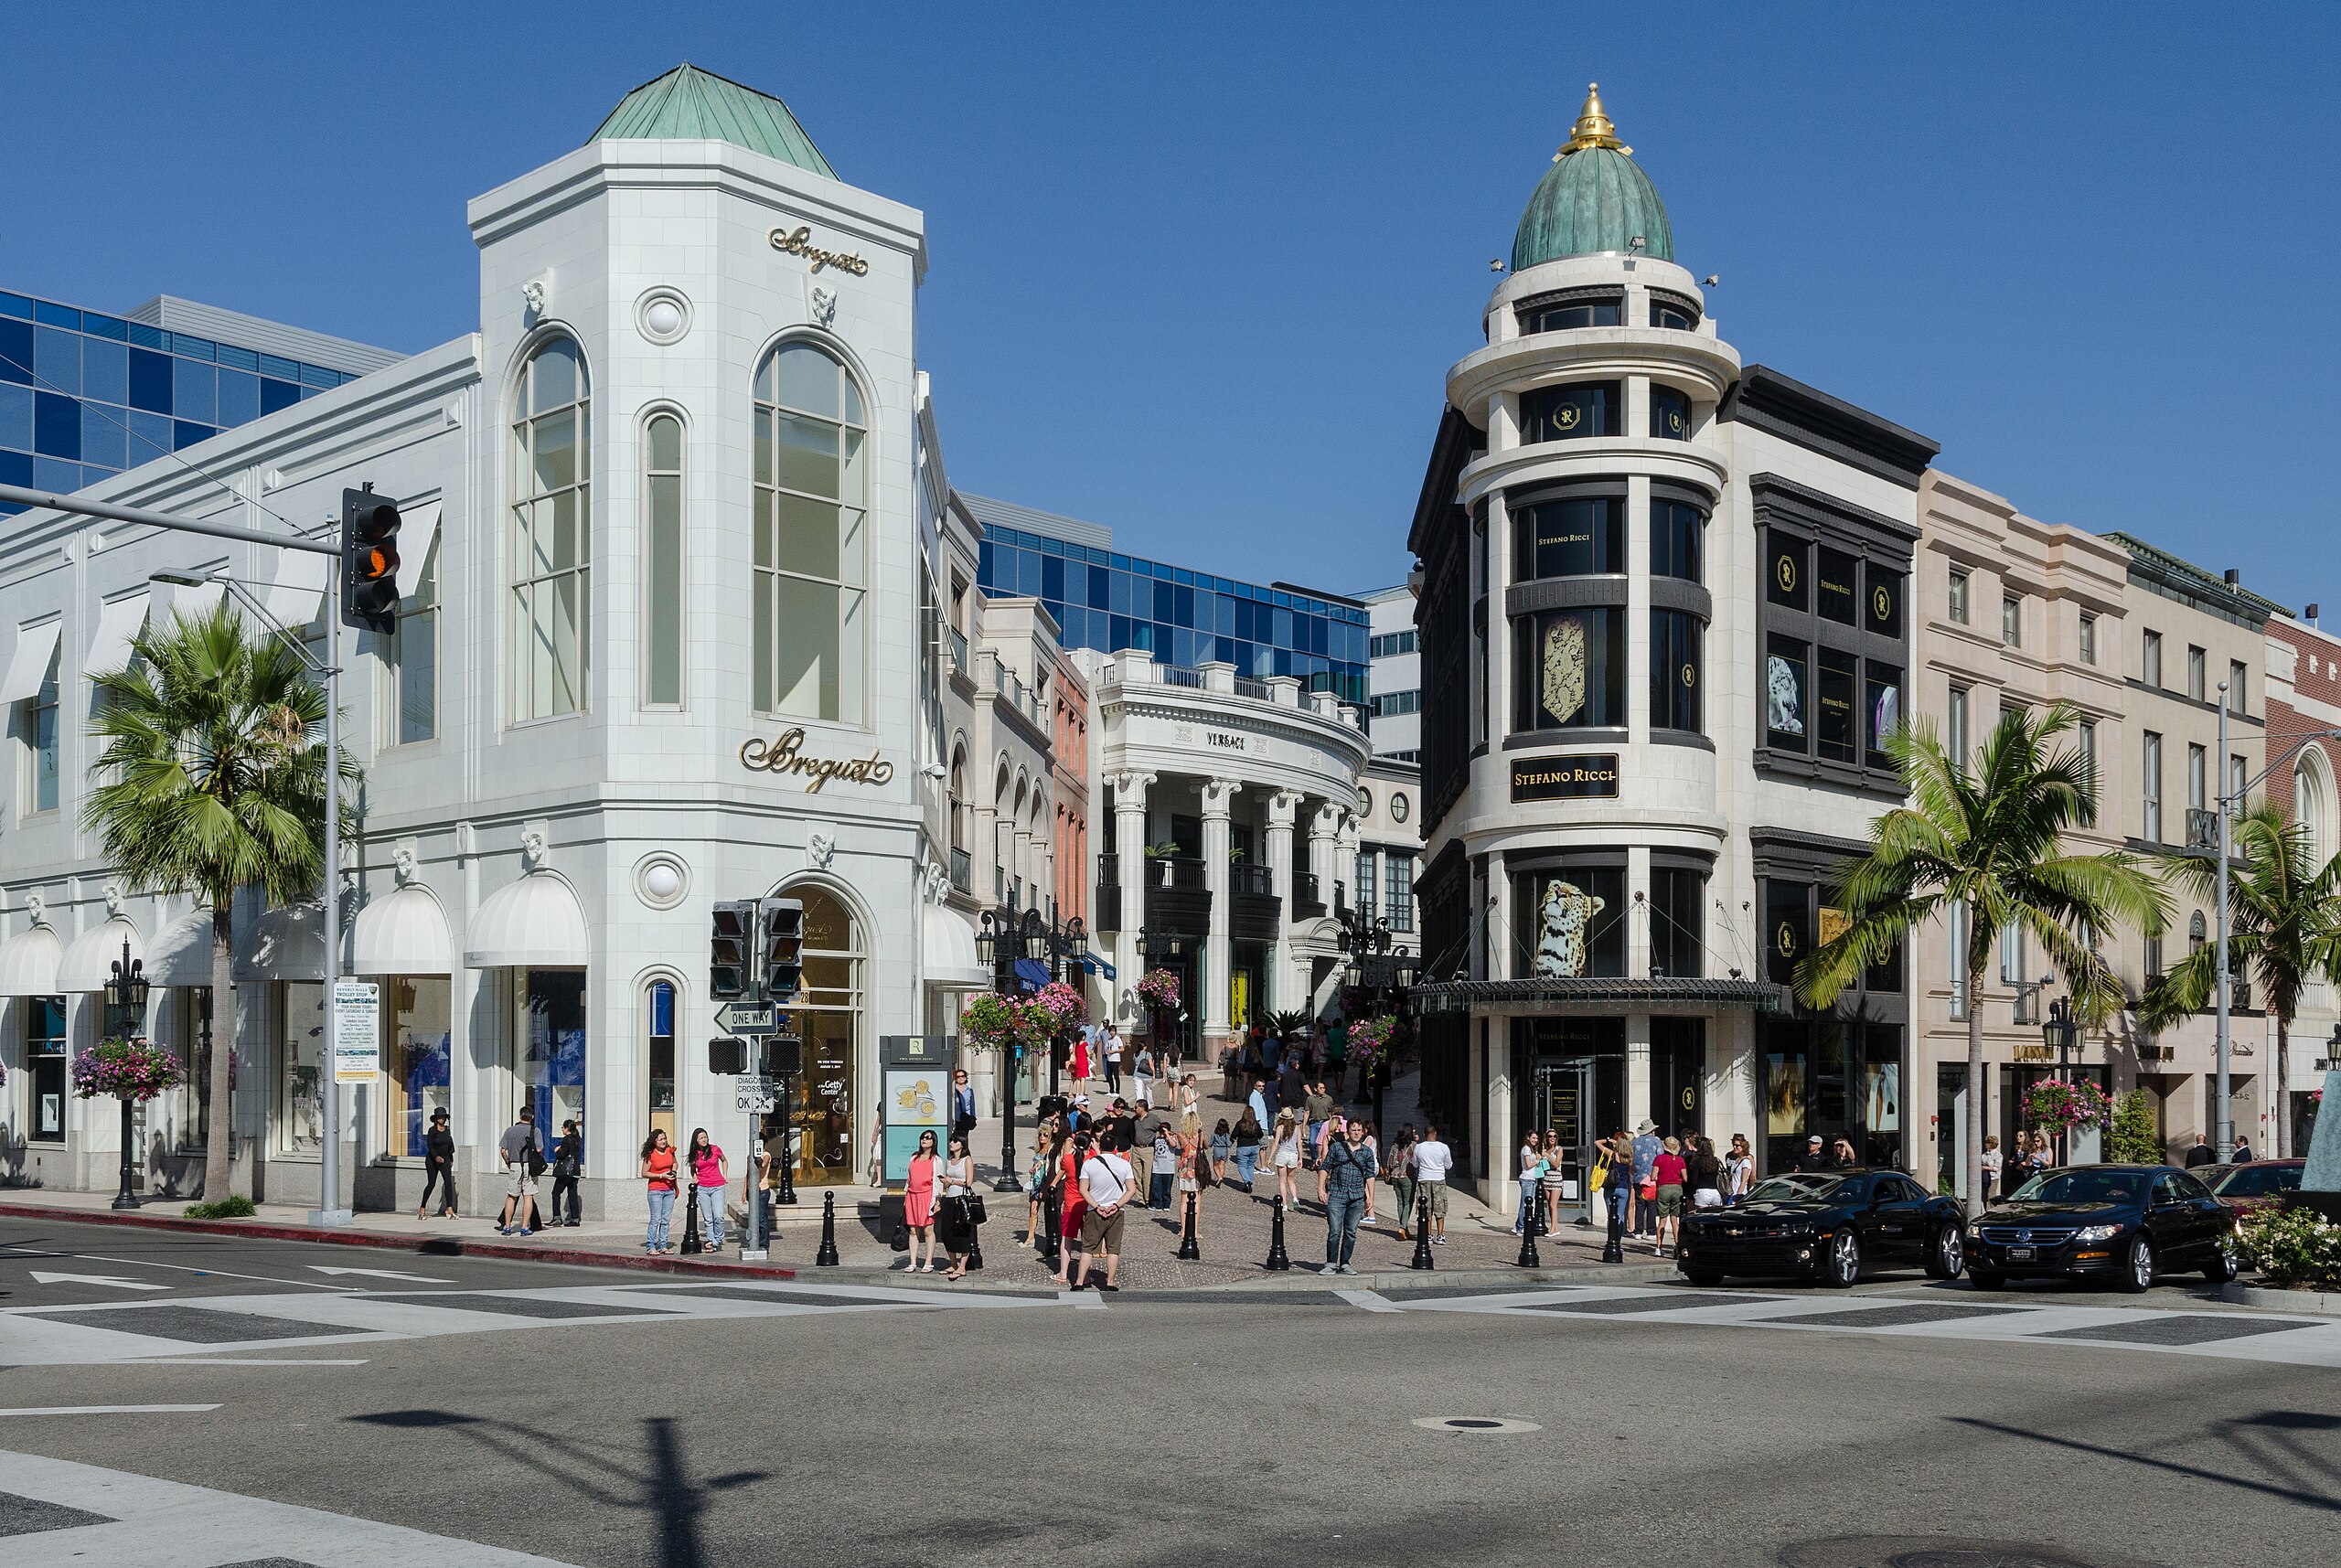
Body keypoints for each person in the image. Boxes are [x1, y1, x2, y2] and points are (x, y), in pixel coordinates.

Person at [1318, 1115, 1377, 1274]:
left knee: (1351, 1232)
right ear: (1348, 1131)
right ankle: (1331, 1262)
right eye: (1353, 1130)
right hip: (1337, 1194)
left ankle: (1345, 1262)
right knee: (1335, 1231)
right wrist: (1321, 1188)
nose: (1356, 1133)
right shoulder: (1337, 1148)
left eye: (1359, 1130)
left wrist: (1370, 1197)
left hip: (1357, 1197)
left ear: (1363, 1132)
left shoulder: (1366, 1152)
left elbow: (1370, 1176)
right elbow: (1325, 1167)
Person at [1076, 1131, 1133, 1292]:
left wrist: (1096, 1206)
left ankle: (1080, 1282)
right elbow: (1131, 1190)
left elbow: (1083, 1189)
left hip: (1094, 1211)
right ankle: (1110, 1282)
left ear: (1100, 1146)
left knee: (1087, 1248)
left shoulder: (1089, 1164)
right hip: (1117, 1211)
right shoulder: (1124, 1165)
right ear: (1115, 1148)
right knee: (1113, 1250)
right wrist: (1115, 1205)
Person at [1049, 1129, 1092, 1286]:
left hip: (1071, 1203)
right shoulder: (1092, 1159)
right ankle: (1085, 1275)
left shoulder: (1067, 1159)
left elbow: (1062, 1171)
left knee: (1067, 1240)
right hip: (1088, 1203)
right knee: (1087, 1242)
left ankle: (1063, 1273)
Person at [938, 1134, 978, 1280]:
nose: (951, 1143)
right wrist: (945, 1182)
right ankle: (953, 1264)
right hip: (949, 1198)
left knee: (962, 1232)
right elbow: (949, 1180)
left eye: (955, 1141)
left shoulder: (966, 1160)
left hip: (961, 1199)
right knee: (946, 1233)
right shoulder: (949, 1161)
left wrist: (952, 1181)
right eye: (950, 1140)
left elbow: (968, 1182)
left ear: (962, 1144)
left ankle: (962, 1267)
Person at [497, 1113, 541, 1237]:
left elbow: (502, 1150)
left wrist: (507, 1161)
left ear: (520, 1116)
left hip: (515, 1165)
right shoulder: (535, 1131)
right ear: (532, 1117)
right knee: (528, 1196)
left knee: (511, 1196)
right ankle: (524, 1227)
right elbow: (539, 1149)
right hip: (529, 1166)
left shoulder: (510, 1130)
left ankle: (507, 1227)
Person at [903, 1127, 941, 1273]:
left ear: (933, 1141)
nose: (924, 1140)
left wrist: (937, 1201)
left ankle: (928, 1262)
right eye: (922, 1137)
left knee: (927, 1229)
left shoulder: (936, 1160)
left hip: (927, 1196)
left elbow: (938, 1182)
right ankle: (912, 1262)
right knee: (913, 1230)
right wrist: (906, 1197)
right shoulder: (914, 1157)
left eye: (928, 1137)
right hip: (912, 1196)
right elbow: (909, 1179)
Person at [688, 1127, 731, 1255]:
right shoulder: (695, 1153)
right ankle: (711, 1241)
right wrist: (695, 1178)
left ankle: (717, 1240)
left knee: (718, 1216)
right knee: (708, 1218)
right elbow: (693, 1169)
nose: (704, 1139)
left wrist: (725, 1174)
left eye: (705, 1136)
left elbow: (724, 1160)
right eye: (701, 1138)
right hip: (703, 1188)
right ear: (696, 1140)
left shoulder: (715, 1149)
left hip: (717, 1185)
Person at [1412, 1123, 1455, 1244]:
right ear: (1435, 1134)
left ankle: (1429, 1235)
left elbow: (1415, 1164)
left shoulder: (1419, 1148)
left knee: (1426, 1208)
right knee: (1440, 1207)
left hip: (1424, 1178)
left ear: (1425, 1135)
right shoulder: (1443, 1147)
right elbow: (1448, 1165)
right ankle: (1440, 1235)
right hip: (1438, 1179)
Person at [640, 1128, 679, 1253]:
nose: (663, 1141)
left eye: (665, 1138)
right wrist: (661, 1176)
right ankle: (651, 1245)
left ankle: (663, 1245)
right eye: (660, 1139)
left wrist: (673, 1171)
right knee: (656, 1219)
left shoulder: (669, 1151)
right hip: (655, 1190)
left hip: (669, 1189)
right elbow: (644, 1173)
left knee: (666, 1220)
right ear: (654, 1141)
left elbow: (675, 1163)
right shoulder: (651, 1154)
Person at [418, 1107, 457, 1219]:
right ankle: (422, 1208)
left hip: (445, 1159)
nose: (441, 1119)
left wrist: (451, 1159)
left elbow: (450, 1145)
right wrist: (436, 1157)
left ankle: (449, 1208)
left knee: (448, 1183)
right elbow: (430, 1146)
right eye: (439, 1117)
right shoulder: (432, 1131)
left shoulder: (447, 1130)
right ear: (436, 1118)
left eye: (443, 1117)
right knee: (431, 1184)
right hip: (432, 1160)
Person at [1598, 1130, 1631, 1261]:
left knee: (1610, 1216)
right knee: (1620, 1216)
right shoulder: (1629, 1157)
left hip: (1611, 1188)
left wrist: (1609, 1140)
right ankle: (1617, 1241)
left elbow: (1597, 1143)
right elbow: (1630, 1173)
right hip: (1623, 1188)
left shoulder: (1612, 1154)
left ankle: (1610, 1239)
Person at [1652, 1136, 1687, 1256]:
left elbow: (1653, 1176)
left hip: (1663, 1188)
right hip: (1677, 1188)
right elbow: (1685, 1178)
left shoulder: (1659, 1159)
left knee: (1662, 1220)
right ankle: (1678, 1248)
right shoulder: (1680, 1160)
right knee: (1675, 1220)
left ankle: (1658, 1248)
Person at [1267, 1109, 1305, 1210]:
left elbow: (1275, 1144)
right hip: (1293, 1155)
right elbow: (1299, 1145)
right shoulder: (1297, 1129)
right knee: (1291, 1180)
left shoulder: (1280, 1127)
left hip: (1282, 1154)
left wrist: (1270, 1157)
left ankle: (1285, 1205)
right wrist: (1300, 1158)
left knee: (1282, 1181)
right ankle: (1295, 1198)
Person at [1630, 1120, 1662, 1236]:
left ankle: (1638, 1231)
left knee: (1640, 1205)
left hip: (1638, 1177)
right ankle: (1651, 1232)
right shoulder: (1656, 1141)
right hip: (1651, 1178)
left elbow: (1631, 1160)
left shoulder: (1634, 1142)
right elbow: (1660, 1157)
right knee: (1651, 1205)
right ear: (1652, 1131)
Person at [550, 1118, 584, 1227]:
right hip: (575, 1171)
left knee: (556, 1193)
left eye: (563, 1128)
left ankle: (557, 1217)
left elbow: (562, 1154)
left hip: (566, 1172)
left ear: (566, 1128)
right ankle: (575, 1218)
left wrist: (557, 1150)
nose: (562, 1130)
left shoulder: (567, 1140)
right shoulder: (577, 1139)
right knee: (572, 1194)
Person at [1385, 1125, 1418, 1237]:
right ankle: (1402, 1227)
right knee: (1408, 1202)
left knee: (1400, 1202)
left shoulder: (1395, 1146)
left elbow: (1389, 1162)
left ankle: (1404, 1229)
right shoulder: (1413, 1145)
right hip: (1407, 1176)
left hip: (1395, 1176)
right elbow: (1417, 1160)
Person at [1514, 1130, 1546, 1236]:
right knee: (1525, 1204)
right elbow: (1528, 1165)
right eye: (1533, 1138)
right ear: (1528, 1137)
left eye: (1537, 1138)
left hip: (1532, 1178)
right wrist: (1537, 1161)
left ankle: (1519, 1225)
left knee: (1529, 1203)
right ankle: (1520, 1227)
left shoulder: (1532, 1149)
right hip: (1526, 1178)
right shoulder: (1526, 1149)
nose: (1535, 1140)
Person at [1303, 1080, 1335, 1168]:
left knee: (1324, 1143)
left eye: (1324, 1088)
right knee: (1312, 1142)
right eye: (1321, 1088)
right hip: (1314, 1123)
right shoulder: (1310, 1099)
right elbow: (1307, 1113)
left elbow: (1331, 1113)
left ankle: (1323, 1160)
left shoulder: (1329, 1099)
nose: (1323, 1090)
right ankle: (1315, 1159)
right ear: (1315, 1089)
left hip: (1325, 1123)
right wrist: (1303, 1128)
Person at [1149, 1121, 1179, 1211]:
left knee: (1167, 1188)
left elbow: (1173, 1145)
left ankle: (1166, 1204)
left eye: (1163, 1131)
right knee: (1155, 1188)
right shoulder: (1157, 1139)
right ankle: (1157, 1204)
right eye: (1160, 1131)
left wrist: (1168, 1135)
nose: (1161, 1133)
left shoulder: (1172, 1139)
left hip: (1168, 1168)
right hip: (1157, 1168)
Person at [1232, 1106, 1263, 1188]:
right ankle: (1250, 1183)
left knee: (1242, 1166)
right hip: (1254, 1146)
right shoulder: (1256, 1124)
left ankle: (1247, 1181)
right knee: (1251, 1165)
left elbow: (1234, 1134)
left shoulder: (1240, 1124)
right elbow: (1261, 1134)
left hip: (1243, 1147)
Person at [1723, 1134, 1755, 1205]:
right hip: (1733, 1193)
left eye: (1737, 1146)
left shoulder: (1746, 1161)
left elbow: (1744, 1181)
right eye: (1734, 1145)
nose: (1734, 1147)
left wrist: (1738, 1195)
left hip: (1740, 1194)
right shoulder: (1737, 1160)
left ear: (1743, 1147)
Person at [950, 1069, 978, 1146]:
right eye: (958, 1076)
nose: (960, 1078)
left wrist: (973, 1117)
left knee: (964, 1137)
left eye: (962, 1076)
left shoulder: (969, 1090)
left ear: (966, 1078)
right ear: (955, 1078)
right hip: (955, 1118)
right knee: (955, 1138)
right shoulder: (952, 1089)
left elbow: (972, 1105)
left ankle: (964, 1152)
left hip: (966, 1118)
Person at [1102, 1024, 1125, 1095]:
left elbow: (1122, 1049)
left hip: (1115, 1059)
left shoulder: (1117, 1039)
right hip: (1109, 1059)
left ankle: (1117, 1091)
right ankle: (1111, 1090)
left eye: (1113, 1031)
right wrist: (1108, 1051)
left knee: (1116, 1076)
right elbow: (1107, 1048)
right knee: (1109, 1076)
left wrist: (1114, 1051)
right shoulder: (1109, 1040)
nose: (1112, 1032)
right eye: (1111, 1031)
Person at [1981, 1134, 2004, 1201]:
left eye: (1987, 1143)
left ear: (1991, 1144)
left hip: (1993, 1178)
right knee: (1984, 1196)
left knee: (1991, 1195)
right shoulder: (1984, 1154)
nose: (1986, 1144)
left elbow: (1997, 1168)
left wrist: (1985, 1167)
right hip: (1985, 1177)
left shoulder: (1998, 1155)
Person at [1133, 1042, 1156, 1108]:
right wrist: (1153, 1074)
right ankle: (1150, 1105)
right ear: (1144, 1047)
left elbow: (1135, 1064)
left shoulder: (1135, 1054)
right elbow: (1151, 1065)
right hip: (1147, 1075)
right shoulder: (1148, 1054)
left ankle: (1139, 1106)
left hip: (1137, 1074)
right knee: (1148, 1090)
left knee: (1139, 1091)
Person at [1209, 1118, 1233, 1182]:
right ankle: (1221, 1177)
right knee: (1222, 1166)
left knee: (1215, 1166)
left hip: (1217, 1150)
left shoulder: (1214, 1134)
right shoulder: (1227, 1135)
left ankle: (1219, 1177)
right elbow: (1229, 1145)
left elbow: (1210, 1144)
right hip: (1224, 1150)